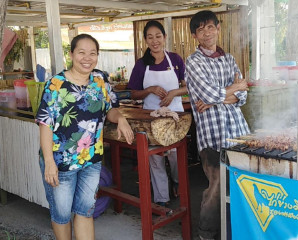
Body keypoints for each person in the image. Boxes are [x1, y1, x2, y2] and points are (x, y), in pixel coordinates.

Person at [36, 33, 134, 240]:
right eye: (81, 52)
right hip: (60, 162)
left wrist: (121, 119)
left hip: (91, 160)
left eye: (92, 53)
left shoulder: (100, 82)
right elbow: (45, 124)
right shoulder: (55, 84)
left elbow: (110, 110)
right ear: (71, 54)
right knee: (62, 215)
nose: (87, 58)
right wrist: (49, 162)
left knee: (85, 210)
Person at [185, 10, 250, 240]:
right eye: (200, 30)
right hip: (212, 136)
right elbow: (208, 93)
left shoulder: (229, 59)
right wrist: (231, 90)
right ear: (195, 35)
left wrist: (219, 97)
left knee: (242, 185)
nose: (206, 33)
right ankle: (206, 234)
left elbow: (243, 96)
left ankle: (236, 232)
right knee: (217, 186)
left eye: (210, 27)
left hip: (239, 134)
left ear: (218, 28)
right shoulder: (193, 61)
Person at [128, 20, 187, 206]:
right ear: (145, 40)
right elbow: (133, 93)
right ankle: (162, 198)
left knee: (175, 155)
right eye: (150, 37)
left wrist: (173, 93)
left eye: (158, 36)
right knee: (155, 157)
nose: (155, 41)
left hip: (175, 116)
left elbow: (187, 88)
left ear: (165, 37)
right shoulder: (141, 64)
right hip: (150, 118)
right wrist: (150, 89)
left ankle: (178, 183)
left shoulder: (176, 60)